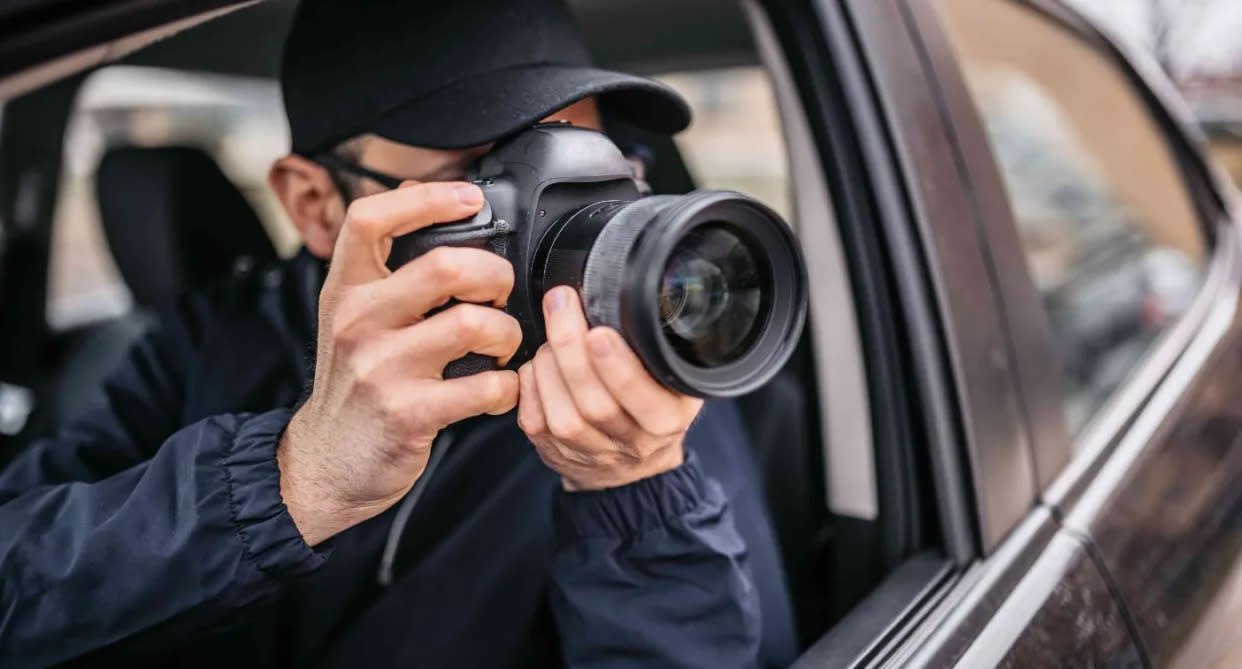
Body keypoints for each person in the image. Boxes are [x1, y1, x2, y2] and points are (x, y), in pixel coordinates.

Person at [0, 0, 797, 667]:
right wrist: (289, 481)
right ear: (314, 204)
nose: (559, 198)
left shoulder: (639, 385)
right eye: (488, 175)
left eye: (591, 155)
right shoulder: (213, 339)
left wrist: (636, 490)